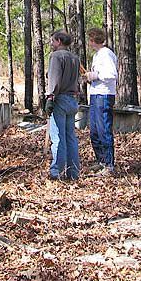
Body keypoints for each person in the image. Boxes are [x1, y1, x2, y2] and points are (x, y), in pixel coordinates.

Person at [45, 30, 81, 181]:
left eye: (52, 41)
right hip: (72, 100)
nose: (51, 44)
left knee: (58, 137)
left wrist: (50, 98)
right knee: (70, 137)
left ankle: (57, 172)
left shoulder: (56, 56)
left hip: (59, 99)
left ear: (59, 41)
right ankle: (73, 173)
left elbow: (55, 78)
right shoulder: (75, 58)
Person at [84, 28, 118, 177]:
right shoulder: (97, 55)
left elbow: (112, 75)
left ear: (93, 40)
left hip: (104, 95)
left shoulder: (106, 54)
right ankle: (101, 161)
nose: (89, 43)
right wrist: (89, 77)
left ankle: (109, 165)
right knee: (95, 131)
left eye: (90, 40)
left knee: (104, 130)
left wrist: (95, 76)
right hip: (95, 94)